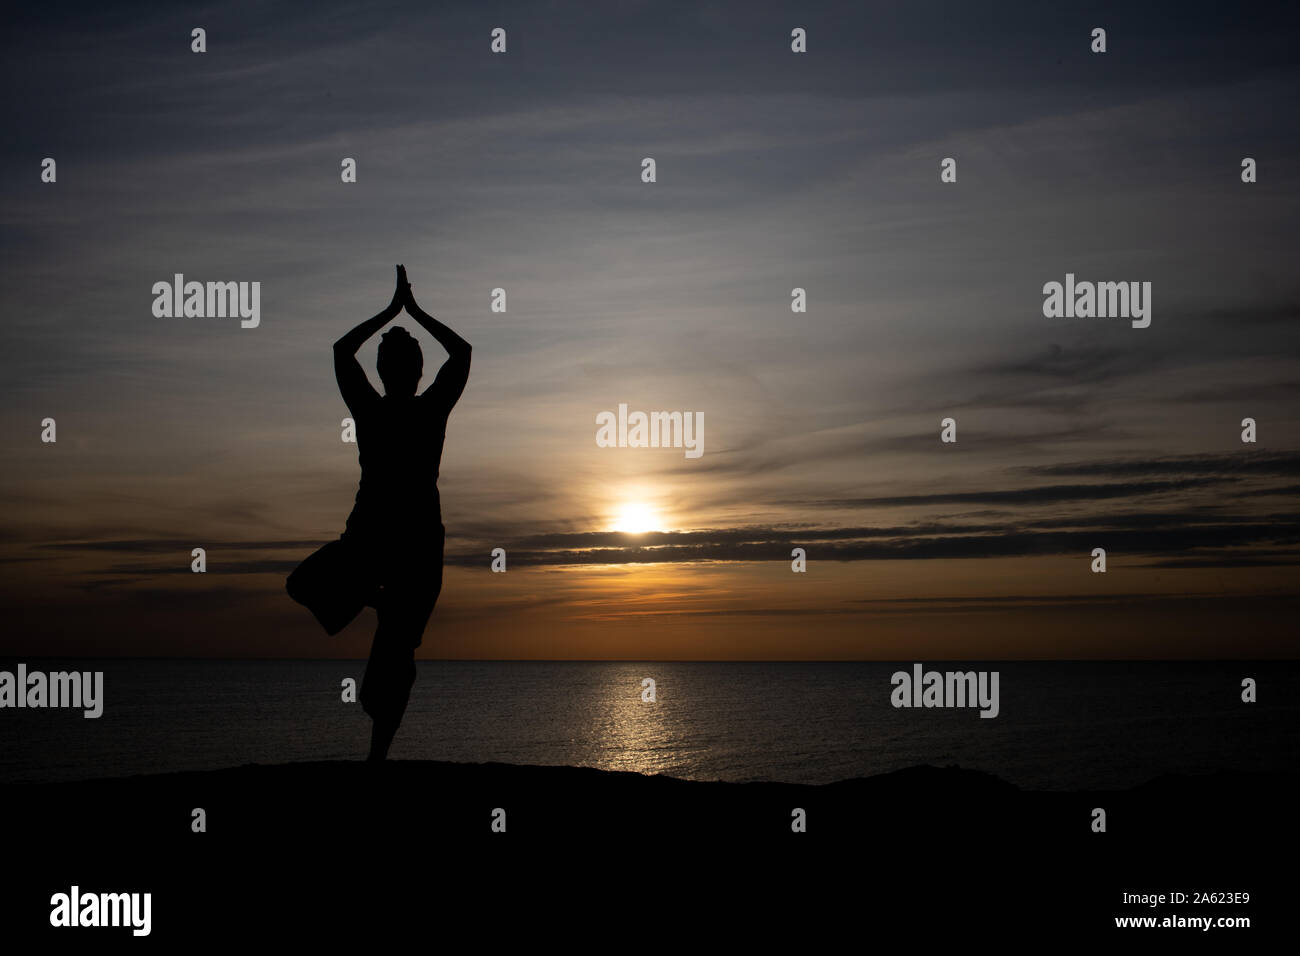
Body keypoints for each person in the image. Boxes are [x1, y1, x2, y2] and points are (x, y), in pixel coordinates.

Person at [287, 265, 471, 761]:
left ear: (403, 370)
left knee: (394, 662)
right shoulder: (392, 411)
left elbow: (342, 352)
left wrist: (398, 311)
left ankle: (376, 760)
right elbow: (461, 353)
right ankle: (376, 600)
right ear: (401, 371)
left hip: (409, 548)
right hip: (373, 542)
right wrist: (407, 311)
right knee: (304, 584)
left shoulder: (413, 410)